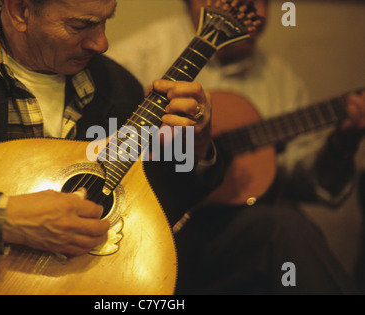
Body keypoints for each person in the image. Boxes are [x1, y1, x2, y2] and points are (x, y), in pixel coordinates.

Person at [0, 0, 223, 294]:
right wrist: (4, 220)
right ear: (21, 10)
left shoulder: (118, 86)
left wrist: (196, 144)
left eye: (105, 22)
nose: (101, 43)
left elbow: (150, 210)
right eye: (80, 26)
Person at [107, 0, 365, 294]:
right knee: (284, 226)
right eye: (246, 2)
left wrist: (340, 144)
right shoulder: (137, 58)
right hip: (154, 229)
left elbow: (301, 180)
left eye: (265, 2)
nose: (261, 14)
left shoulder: (278, 77)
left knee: (288, 224)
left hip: (235, 231)